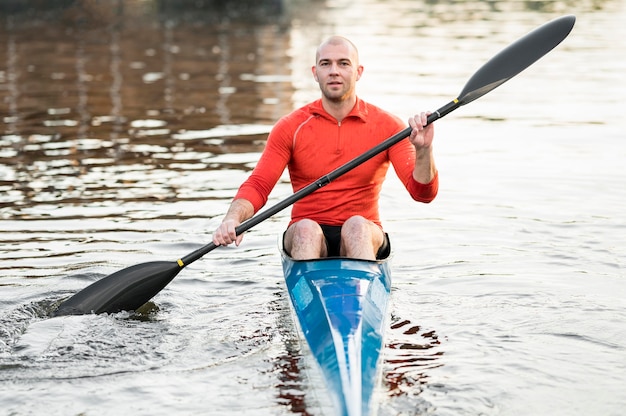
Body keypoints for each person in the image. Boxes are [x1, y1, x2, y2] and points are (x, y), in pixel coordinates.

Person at [212, 35, 438, 260]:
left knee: (356, 227)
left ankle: (360, 292)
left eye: (343, 63)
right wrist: (232, 219)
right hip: (306, 235)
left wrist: (424, 150)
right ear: (315, 73)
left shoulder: (388, 126)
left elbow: (423, 194)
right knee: (306, 229)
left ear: (358, 72)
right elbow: (259, 185)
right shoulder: (291, 127)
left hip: (364, 233)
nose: (334, 71)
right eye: (325, 64)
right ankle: (309, 291)